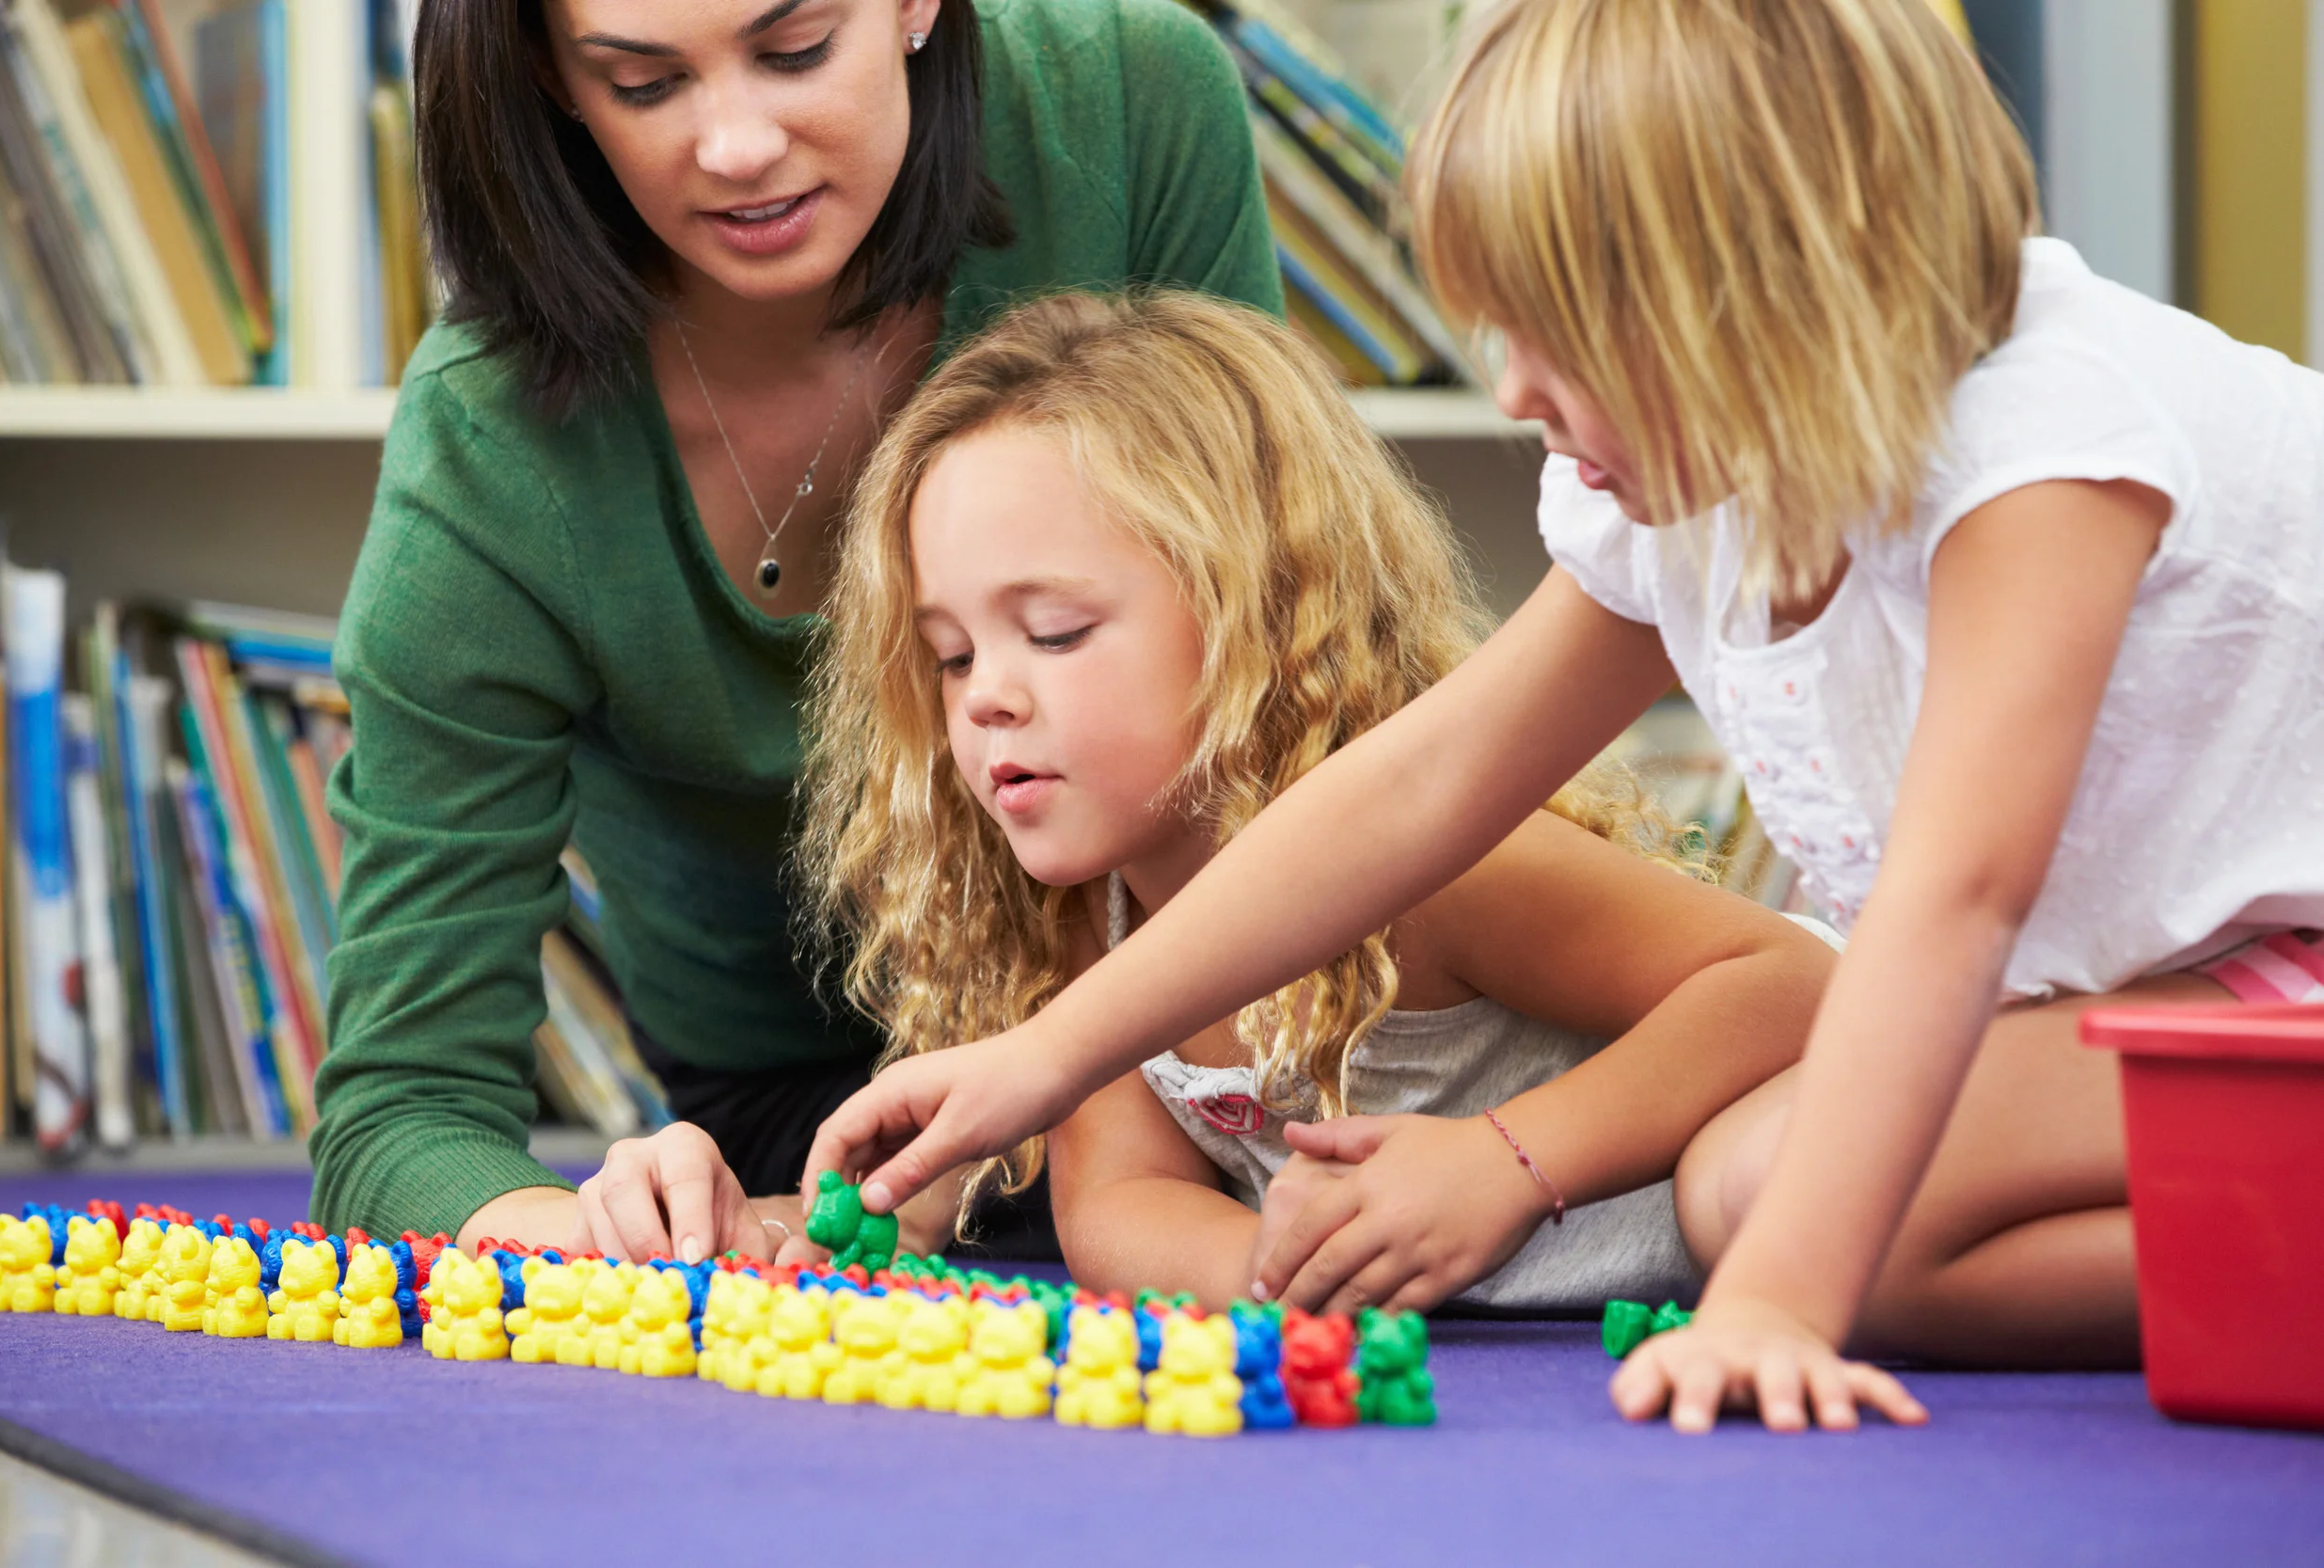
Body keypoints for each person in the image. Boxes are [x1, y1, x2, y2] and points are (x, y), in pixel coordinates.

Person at [802, 0, 2324, 1431]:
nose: (1518, 389)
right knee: (1753, 1191)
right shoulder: (1693, 502)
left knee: (1793, 1219)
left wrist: (1782, 1308)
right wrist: (1045, 1056)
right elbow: (1421, 784)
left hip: (2277, 981)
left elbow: (1957, 891)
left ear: (1757, 293)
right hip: (2195, 998)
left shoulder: (2040, 451)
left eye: (1560, 335)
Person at [308, 0, 1282, 1267]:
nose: (736, 146)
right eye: (644, 84)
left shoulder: (1128, 106)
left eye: (795, 50)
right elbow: (399, 1108)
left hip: (1218, 1054)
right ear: (549, 78)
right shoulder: (490, 451)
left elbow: (1297, 666)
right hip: (809, 1133)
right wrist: (604, 1236)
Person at [798, 291, 1837, 1311]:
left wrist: (1508, 1159)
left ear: (1260, 615)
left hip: (1828, 1149)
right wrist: (1294, 1269)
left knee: (1743, 1193)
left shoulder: (1440, 874)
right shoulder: (1094, 915)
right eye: (949, 655)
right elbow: (1121, 1198)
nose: (985, 697)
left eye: (1058, 631)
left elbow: (1790, 983)